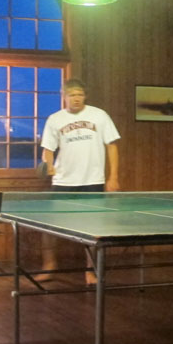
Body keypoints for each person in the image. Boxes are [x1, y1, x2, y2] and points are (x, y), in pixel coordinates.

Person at [38, 78, 121, 283]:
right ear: (64, 96)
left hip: (93, 181)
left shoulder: (99, 115)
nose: (76, 98)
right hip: (63, 182)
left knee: (93, 228)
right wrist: (48, 164)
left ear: (85, 96)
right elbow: (48, 149)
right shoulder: (55, 119)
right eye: (72, 95)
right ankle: (49, 265)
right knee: (49, 226)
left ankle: (90, 271)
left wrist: (113, 177)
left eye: (80, 94)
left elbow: (112, 146)